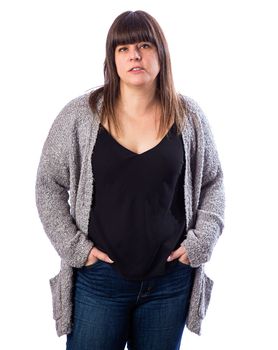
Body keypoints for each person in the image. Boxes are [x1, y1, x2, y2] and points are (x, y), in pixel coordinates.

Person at [35, 10, 225, 350]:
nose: (134, 55)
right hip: (98, 284)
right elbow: (48, 183)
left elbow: (212, 183)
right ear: (112, 58)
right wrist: (77, 249)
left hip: (170, 285)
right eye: (123, 48)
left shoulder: (189, 117)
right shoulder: (80, 116)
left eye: (144, 45)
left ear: (161, 54)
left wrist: (200, 243)